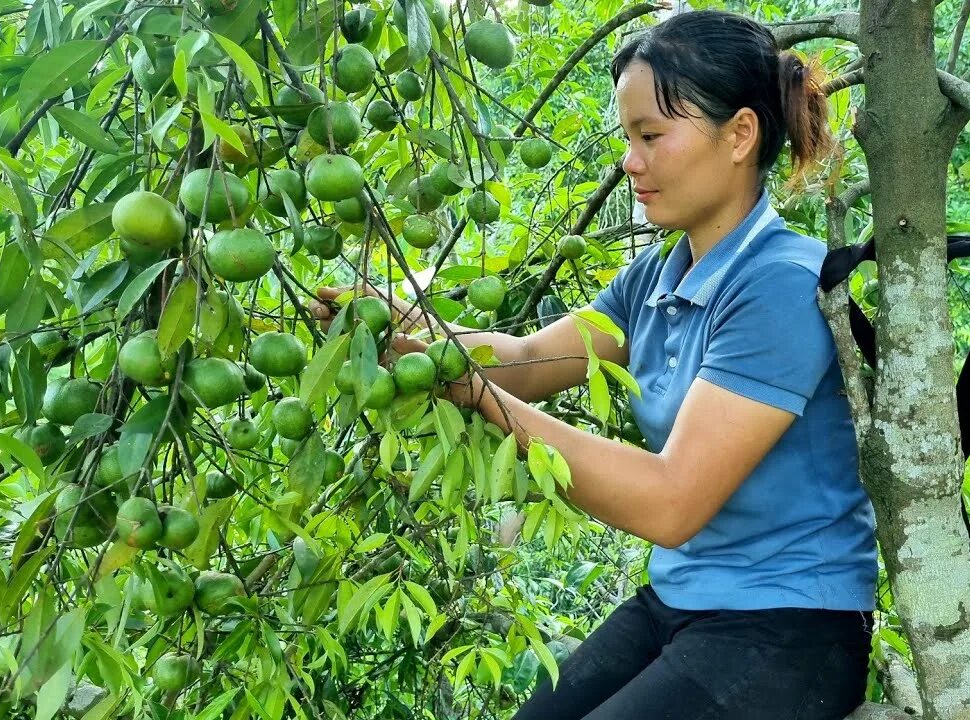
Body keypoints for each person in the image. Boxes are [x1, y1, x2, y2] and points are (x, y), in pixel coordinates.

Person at [312, 9, 877, 719]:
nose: (630, 163)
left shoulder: (779, 284)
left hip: (790, 630)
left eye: (651, 137)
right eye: (627, 138)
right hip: (681, 600)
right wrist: (403, 324)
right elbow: (523, 361)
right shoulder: (659, 276)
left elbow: (672, 502)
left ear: (739, 135)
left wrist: (470, 390)